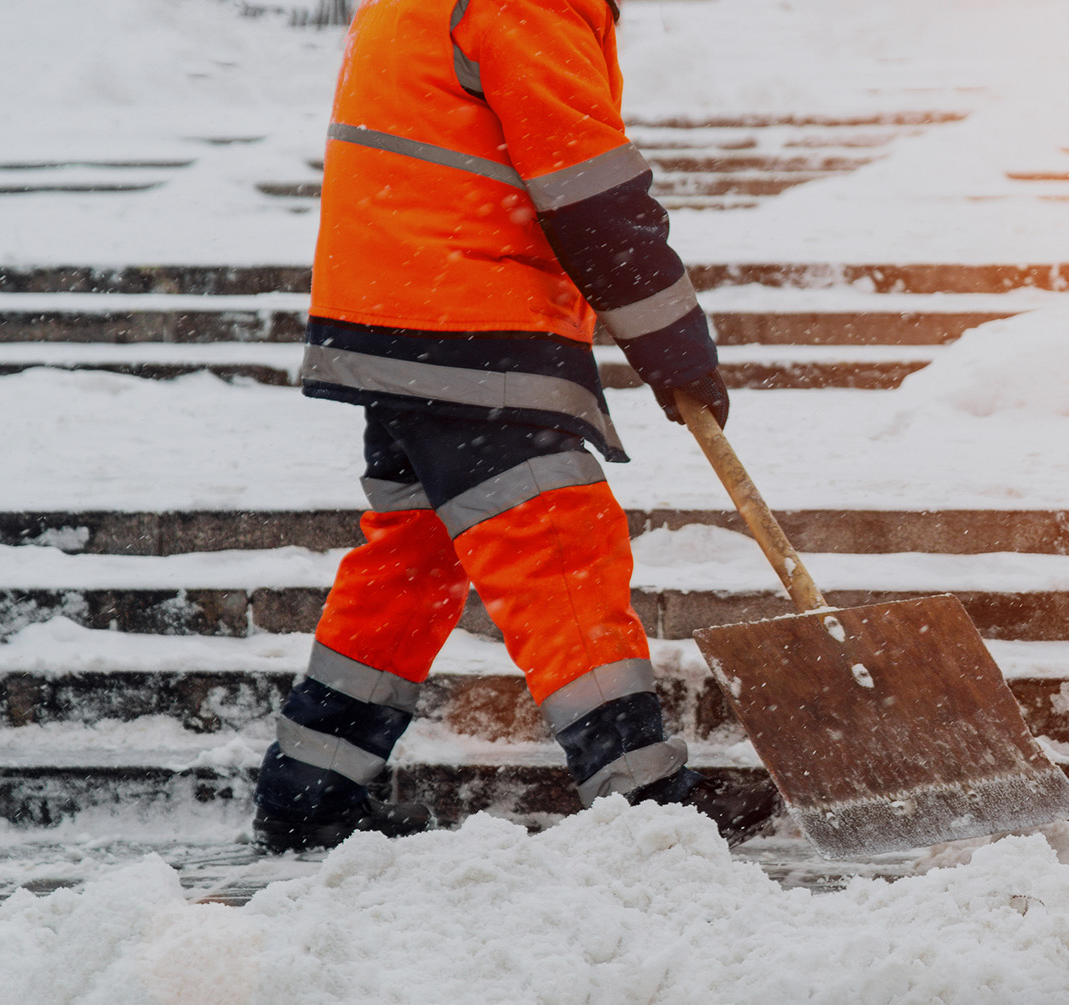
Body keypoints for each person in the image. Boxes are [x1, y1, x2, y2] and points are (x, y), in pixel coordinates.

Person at [252, 0, 780, 853]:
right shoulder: (522, 3)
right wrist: (674, 342)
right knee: (559, 546)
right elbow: (591, 193)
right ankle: (644, 794)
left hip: (395, 312)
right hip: (466, 318)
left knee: (414, 556)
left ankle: (310, 785)